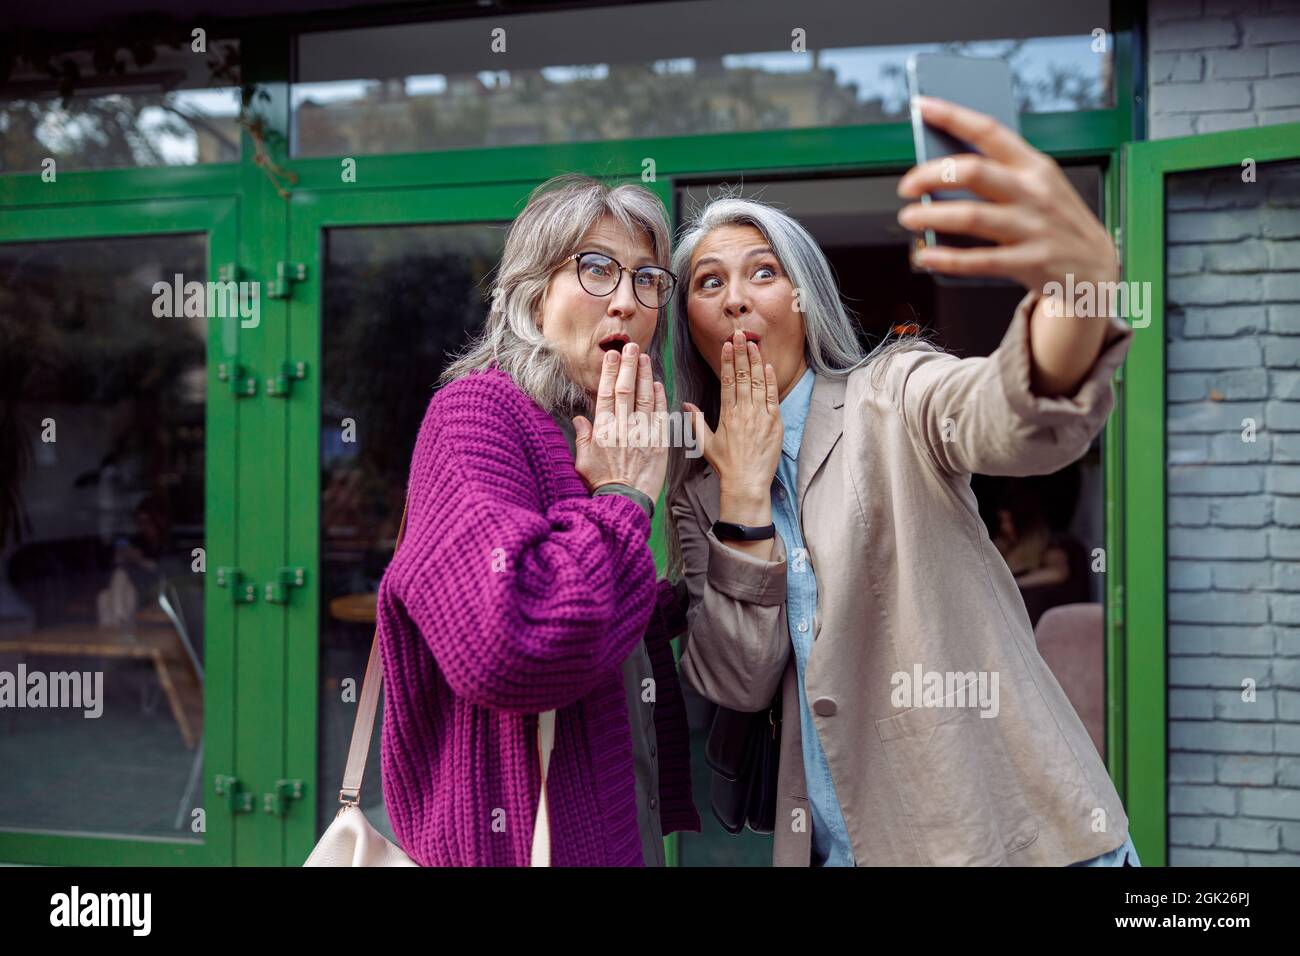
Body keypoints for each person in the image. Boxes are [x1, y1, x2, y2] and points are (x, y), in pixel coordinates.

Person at [666, 95, 1138, 866]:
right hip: (837, 841)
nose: (737, 296)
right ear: (690, 321)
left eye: (763, 271)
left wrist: (1072, 289)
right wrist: (746, 498)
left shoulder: (894, 392)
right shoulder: (699, 487)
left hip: (1004, 831)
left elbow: (1006, 418)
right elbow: (737, 681)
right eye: (708, 283)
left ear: (803, 298)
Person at [377, 174, 699, 866]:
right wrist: (622, 499)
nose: (627, 300)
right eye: (595, 268)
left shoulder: (588, 429)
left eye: (648, 279)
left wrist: (730, 516)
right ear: (532, 294)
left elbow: (611, 623)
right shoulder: (477, 415)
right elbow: (512, 643)